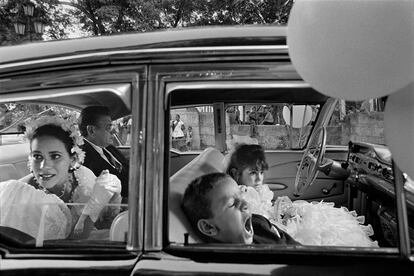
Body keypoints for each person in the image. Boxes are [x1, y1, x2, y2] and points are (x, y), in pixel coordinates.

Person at [226, 144, 378, 247]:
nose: (259, 178)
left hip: (274, 219)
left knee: (322, 216)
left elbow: (265, 211)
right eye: (253, 173)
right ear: (235, 174)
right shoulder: (245, 195)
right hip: (274, 227)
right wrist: (283, 218)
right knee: (327, 231)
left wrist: (281, 208)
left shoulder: (253, 190)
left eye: (261, 172)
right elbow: (260, 222)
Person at [0, 116, 121, 242]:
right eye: (37, 156)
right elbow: (67, 245)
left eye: (55, 156)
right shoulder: (20, 195)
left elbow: (100, 224)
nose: (44, 166)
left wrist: (110, 197)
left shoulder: (84, 176)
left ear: (73, 160)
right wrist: (94, 205)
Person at [182, 172, 299, 244]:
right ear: (209, 227)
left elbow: (296, 247)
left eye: (241, 196)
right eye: (232, 203)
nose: (245, 204)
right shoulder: (227, 266)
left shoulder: (260, 224)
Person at [78, 106, 129, 201]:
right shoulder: (83, 160)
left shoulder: (109, 147)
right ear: (91, 130)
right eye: (108, 127)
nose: (114, 131)